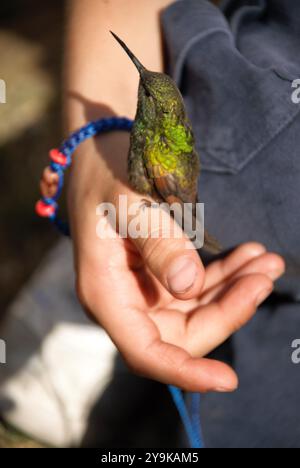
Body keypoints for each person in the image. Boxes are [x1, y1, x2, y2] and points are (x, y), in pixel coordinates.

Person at [41, 0, 300, 447]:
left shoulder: (162, 143)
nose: (144, 89)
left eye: (145, 94)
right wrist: (92, 172)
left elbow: (175, 191)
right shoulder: (152, 126)